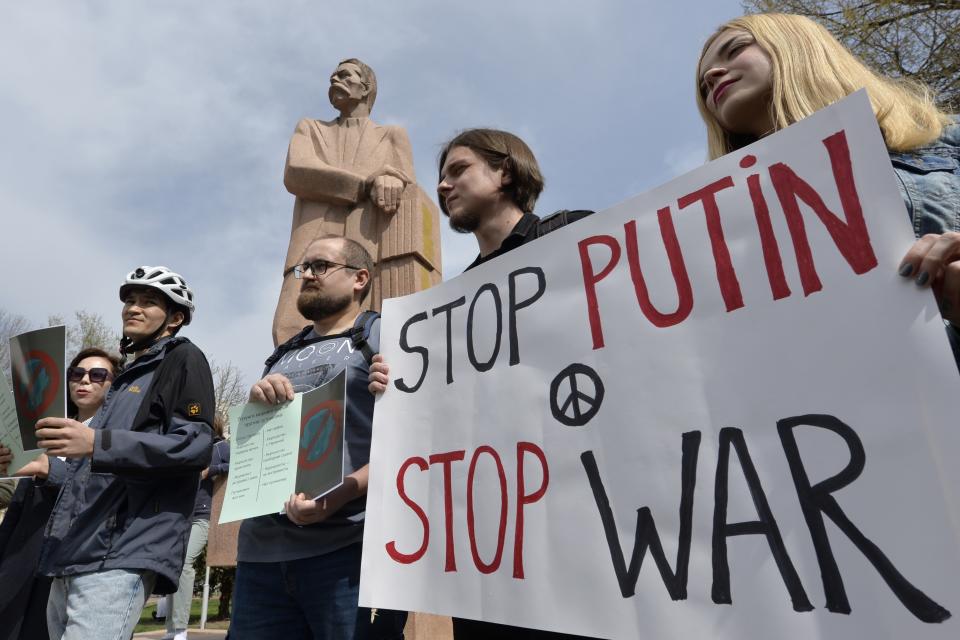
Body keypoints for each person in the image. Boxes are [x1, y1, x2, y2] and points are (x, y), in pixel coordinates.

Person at [369, 128, 592, 639]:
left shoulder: (572, 234)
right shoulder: (449, 306)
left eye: (458, 170)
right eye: (440, 177)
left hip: (578, 516)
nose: (444, 186)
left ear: (505, 172)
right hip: (491, 542)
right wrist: (398, 385)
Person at [695, 12, 960, 368]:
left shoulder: (948, 143)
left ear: (797, 46)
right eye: (702, 88)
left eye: (735, 49)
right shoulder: (714, 231)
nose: (711, 77)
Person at [0, 266, 215, 640]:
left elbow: (195, 446)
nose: (134, 308)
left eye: (148, 302)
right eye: (130, 300)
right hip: (74, 553)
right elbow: (95, 476)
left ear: (176, 318)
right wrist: (46, 467)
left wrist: (96, 443)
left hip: (123, 552)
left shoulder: (183, 359)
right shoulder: (126, 379)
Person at [233, 235, 405, 640]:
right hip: (261, 555)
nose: (307, 275)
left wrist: (340, 495)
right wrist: (257, 401)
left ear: (360, 278)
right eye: (303, 268)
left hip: (347, 553)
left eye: (320, 266)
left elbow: (413, 442)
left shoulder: (387, 336)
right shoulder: (282, 353)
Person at [275, 57, 441, 345]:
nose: (334, 79)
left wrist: (393, 180)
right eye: (332, 76)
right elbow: (297, 172)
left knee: (374, 334)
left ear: (366, 88)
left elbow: (404, 189)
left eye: (344, 75)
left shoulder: (392, 136)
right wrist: (365, 183)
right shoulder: (311, 129)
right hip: (310, 248)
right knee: (290, 326)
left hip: (370, 247)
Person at [0, 347, 121, 640]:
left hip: (69, 561)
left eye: (97, 375)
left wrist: (49, 468)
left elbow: (103, 492)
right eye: (77, 374)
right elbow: (17, 504)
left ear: (114, 385)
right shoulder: (44, 431)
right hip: (22, 558)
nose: (84, 381)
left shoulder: (116, 439)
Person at [163, 416, 231, 640]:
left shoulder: (221, 447)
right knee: (172, 565)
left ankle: (180, 630)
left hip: (203, 516)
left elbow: (240, 465)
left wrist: (212, 470)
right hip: (181, 515)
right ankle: (172, 629)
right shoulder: (188, 447)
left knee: (183, 564)